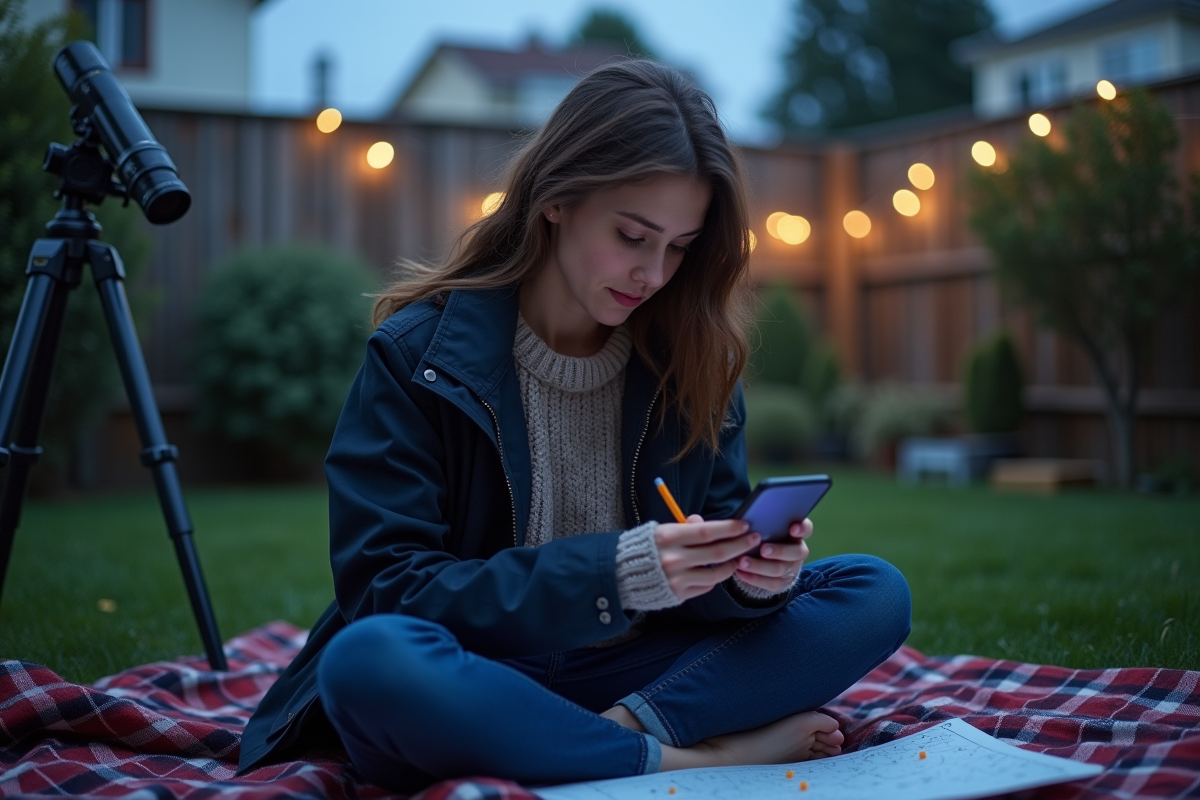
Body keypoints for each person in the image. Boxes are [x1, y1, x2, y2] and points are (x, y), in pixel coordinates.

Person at [237, 59, 911, 793]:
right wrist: (614, 574)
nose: (654, 273)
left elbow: (710, 555)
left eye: (680, 247)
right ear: (557, 199)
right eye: (632, 235)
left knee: (873, 590)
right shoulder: (416, 359)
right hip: (477, 674)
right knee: (367, 661)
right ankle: (688, 760)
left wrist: (749, 580)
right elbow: (388, 592)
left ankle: (611, 738)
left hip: (634, 672)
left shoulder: (694, 361)